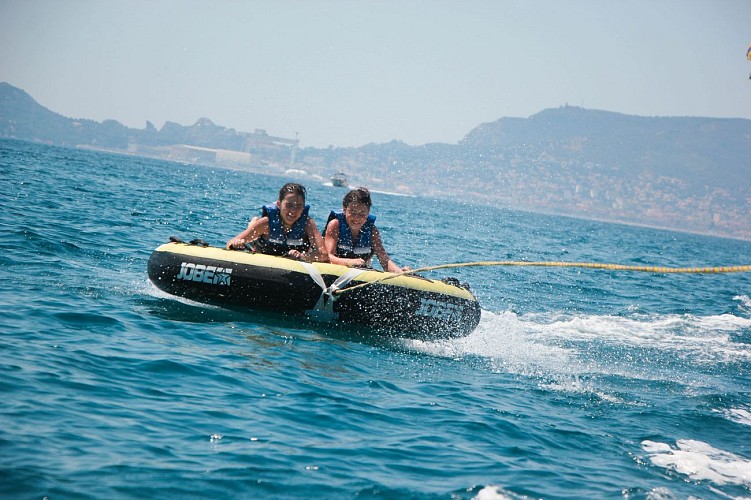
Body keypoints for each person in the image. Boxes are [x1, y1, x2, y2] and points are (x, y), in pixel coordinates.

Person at [226, 182, 327, 262]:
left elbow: (324, 254)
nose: (293, 211)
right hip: (262, 251)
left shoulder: (307, 224)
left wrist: (304, 256)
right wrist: (236, 244)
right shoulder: (266, 224)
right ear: (279, 204)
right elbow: (230, 243)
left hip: (295, 259)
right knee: (254, 229)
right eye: (289, 205)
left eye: (299, 206)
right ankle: (253, 224)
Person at [324, 187, 409, 273]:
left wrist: (399, 271)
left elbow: (384, 260)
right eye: (353, 212)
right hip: (334, 271)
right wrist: (349, 262)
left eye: (362, 213)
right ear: (345, 210)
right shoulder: (335, 225)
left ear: (368, 213)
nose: (357, 217)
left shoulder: (371, 230)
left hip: (360, 272)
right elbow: (327, 257)